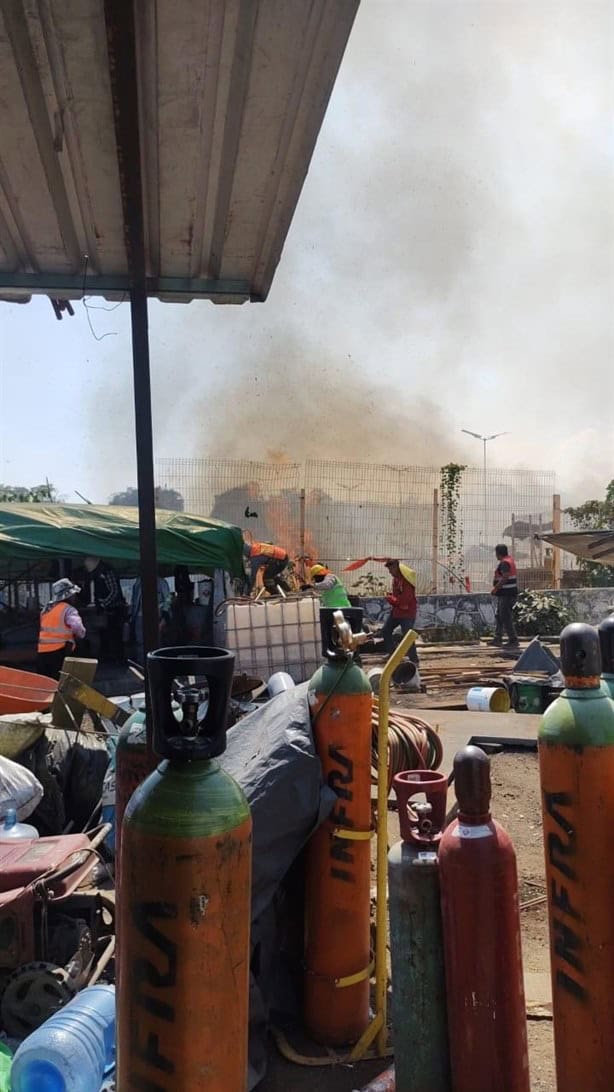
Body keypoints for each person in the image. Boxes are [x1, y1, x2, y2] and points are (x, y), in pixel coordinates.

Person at [38, 578, 86, 679]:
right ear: (70, 595)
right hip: (59, 651)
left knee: (47, 682)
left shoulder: (46, 609)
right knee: (60, 681)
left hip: (42, 652)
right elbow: (78, 628)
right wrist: (81, 635)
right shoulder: (68, 609)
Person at [84, 556, 126, 663]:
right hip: (109, 610)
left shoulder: (107, 573)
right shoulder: (99, 574)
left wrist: (104, 604)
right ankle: (110, 659)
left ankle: (118, 660)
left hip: (115, 610)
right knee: (107, 636)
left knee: (115, 636)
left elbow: (115, 591)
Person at [381, 559, 419, 664]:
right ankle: (392, 654)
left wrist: (390, 599)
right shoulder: (395, 580)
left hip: (407, 613)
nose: (389, 571)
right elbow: (397, 598)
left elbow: (404, 601)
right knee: (386, 630)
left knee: (407, 636)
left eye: (391, 569)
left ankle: (414, 661)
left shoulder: (406, 581)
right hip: (397, 612)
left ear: (397, 568)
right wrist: (391, 597)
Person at [130, 574, 171, 664]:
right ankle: (141, 664)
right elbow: (134, 600)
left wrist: (164, 617)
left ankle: (156, 664)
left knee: (156, 642)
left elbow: (168, 599)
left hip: (156, 616)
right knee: (140, 641)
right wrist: (131, 616)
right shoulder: (138, 581)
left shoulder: (161, 582)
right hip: (140, 616)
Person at [491, 544, 519, 648]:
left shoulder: (504, 563)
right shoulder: (509, 560)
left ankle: (513, 640)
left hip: (506, 594)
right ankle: (497, 638)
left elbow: (505, 577)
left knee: (505, 617)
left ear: (498, 553)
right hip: (506, 594)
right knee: (499, 616)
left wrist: (496, 588)